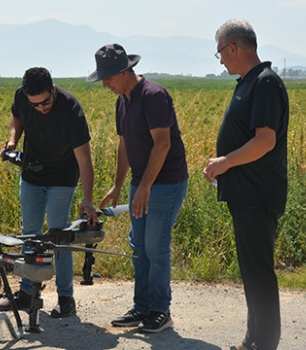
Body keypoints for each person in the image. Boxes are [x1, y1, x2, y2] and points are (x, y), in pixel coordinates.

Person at [87, 44, 188, 333]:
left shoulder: (153, 96)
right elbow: (125, 144)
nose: (105, 84)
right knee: (138, 246)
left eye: (108, 78)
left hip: (166, 182)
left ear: (123, 72)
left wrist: (145, 187)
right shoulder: (123, 100)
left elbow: (163, 144)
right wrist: (119, 185)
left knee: (155, 246)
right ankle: (142, 306)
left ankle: (160, 310)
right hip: (140, 183)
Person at [203, 19, 289, 350]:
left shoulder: (265, 83)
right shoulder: (249, 82)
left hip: (257, 195)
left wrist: (224, 162)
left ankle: (265, 344)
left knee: (259, 274)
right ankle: (252, 339)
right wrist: (222, 164)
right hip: (245, 194)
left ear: (233, 48)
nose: (221, 60)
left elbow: (264, 141)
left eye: (220, 53)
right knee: (251, 273)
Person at [0, 67, 98, 318]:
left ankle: (66, 297)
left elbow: (84, 161)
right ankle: (26, 291)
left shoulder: (71, 109)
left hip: (62, 177)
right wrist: (12, 141)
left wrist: (87, 199)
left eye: (45, 102)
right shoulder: (23, 97)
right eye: (35, 105)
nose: (41, 108)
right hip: (31, 175)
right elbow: (17, 117)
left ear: (53, 90)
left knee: (58, 235)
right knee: (29, 234)